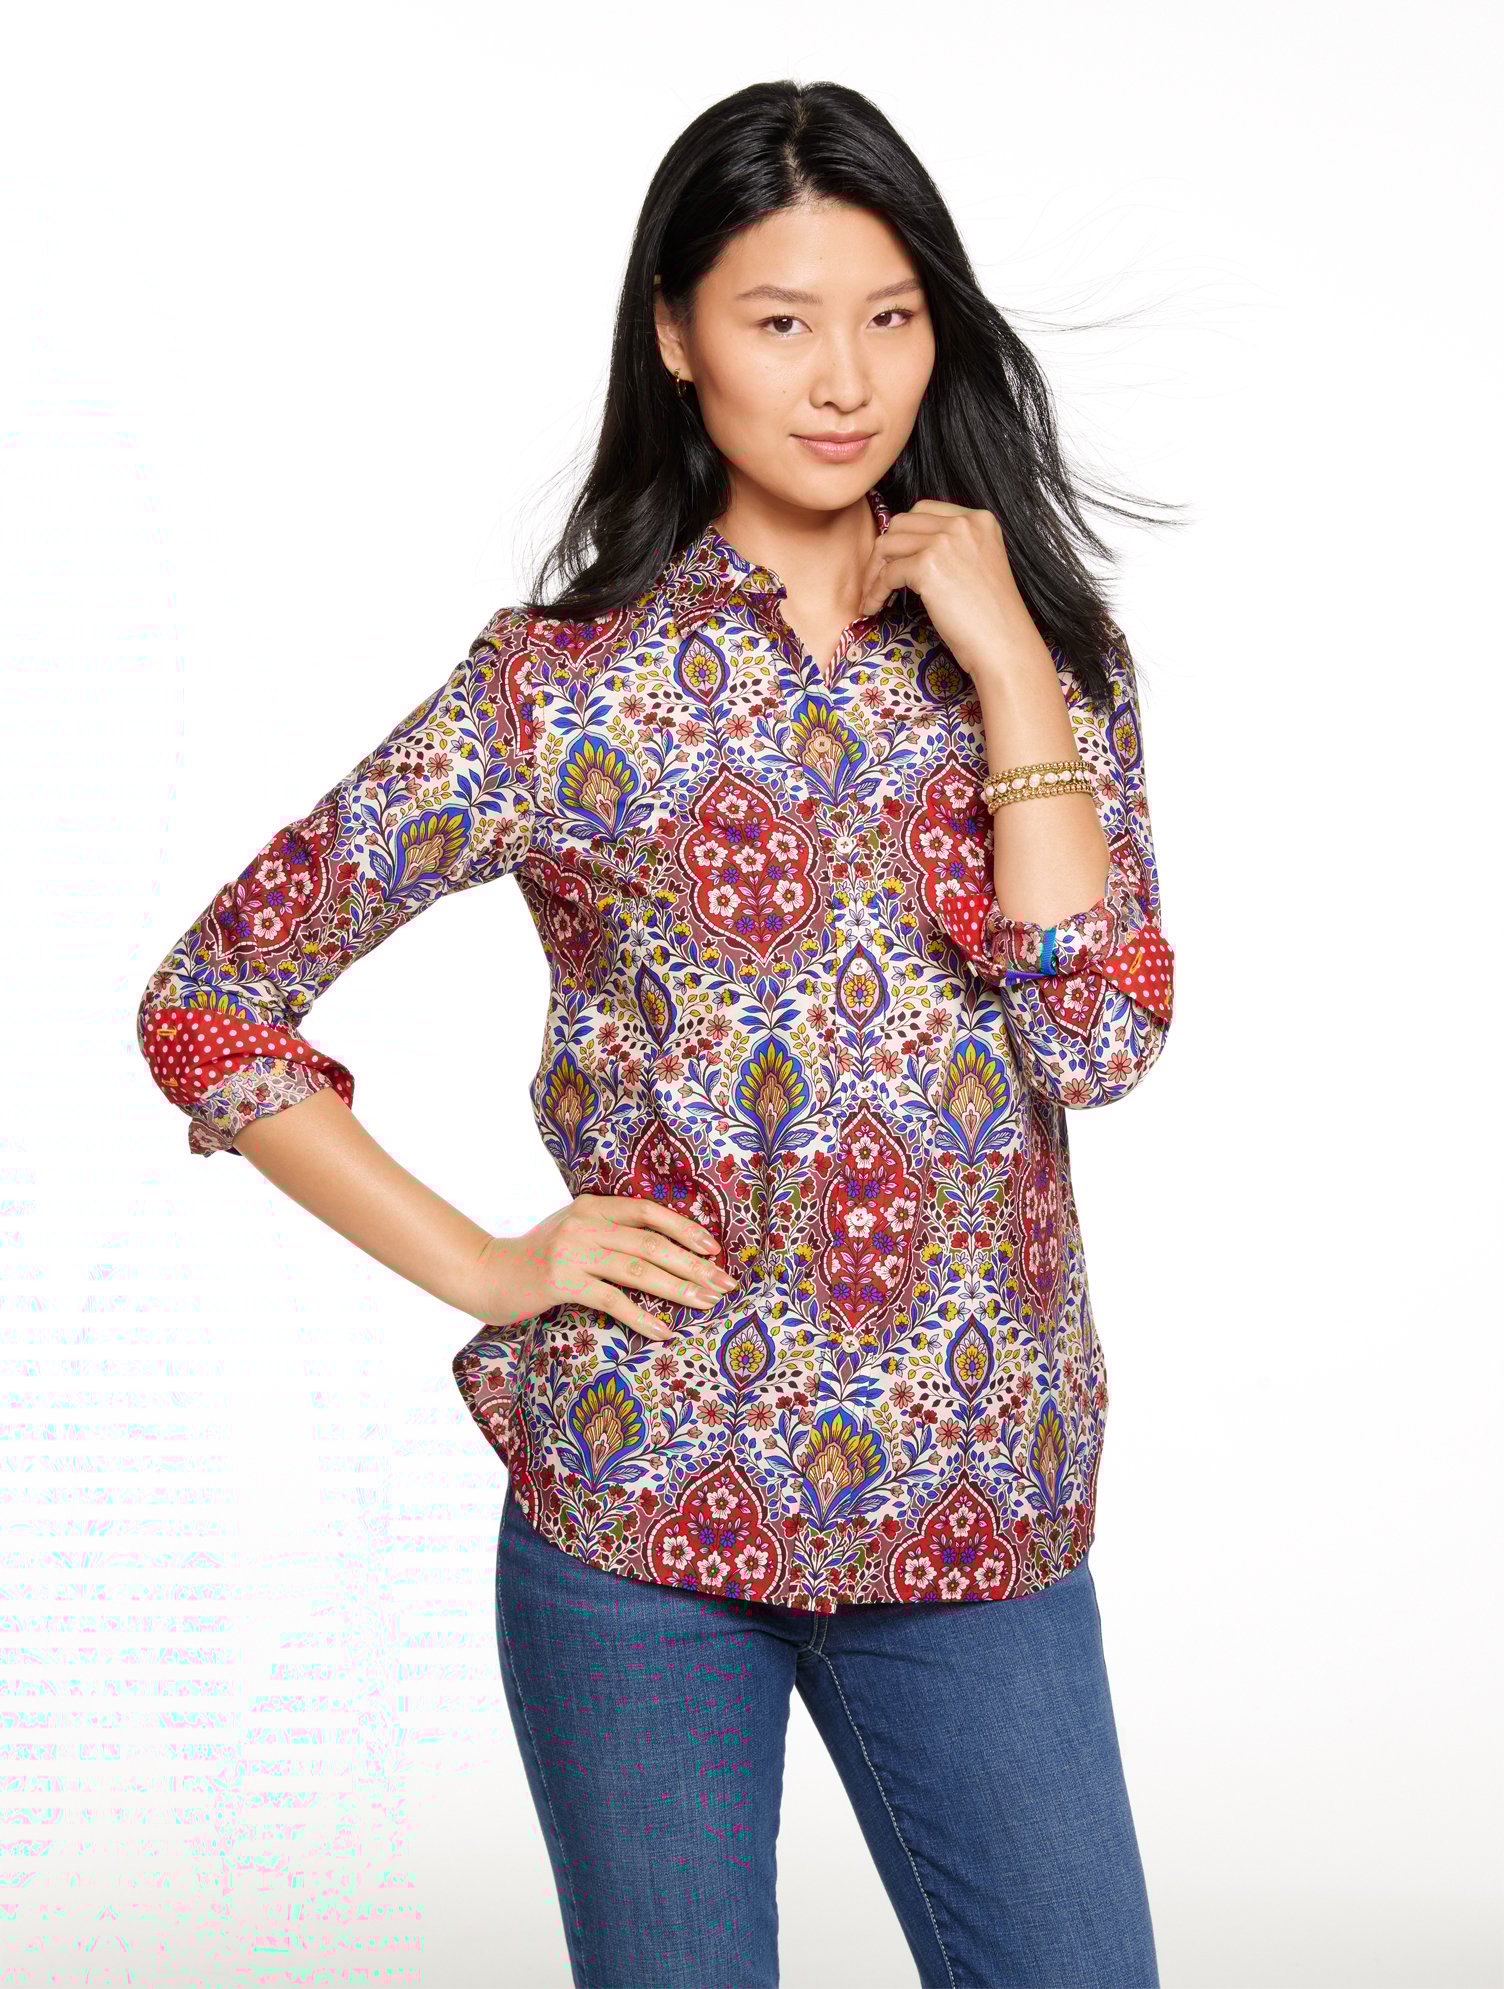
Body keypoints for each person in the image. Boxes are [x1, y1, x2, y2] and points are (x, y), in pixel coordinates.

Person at [136, 76, 1176, 1989]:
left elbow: (1097, 1038)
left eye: (890, 316)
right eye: (782, 321)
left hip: (979, 1494)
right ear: (679, 337)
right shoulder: (558, 692)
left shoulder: (1048, 667)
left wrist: (1014, 667)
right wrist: (490, 1264)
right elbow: (212, 1000)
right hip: (641, 1502)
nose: (845, 380)